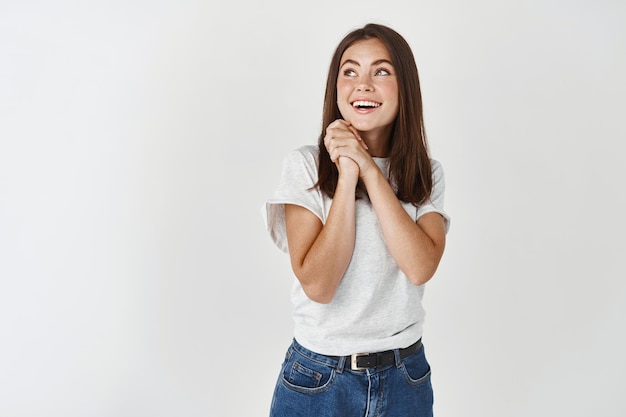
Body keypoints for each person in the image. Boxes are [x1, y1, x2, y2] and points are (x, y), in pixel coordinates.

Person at [263, 23, 450, 417]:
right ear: (336, 87)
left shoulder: (425, 174)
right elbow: (319, 284)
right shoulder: (305, 167)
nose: (362, 84)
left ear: (405, 88)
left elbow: (419, 267)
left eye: (381, 71)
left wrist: (367, 167)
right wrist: (346, 175)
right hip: (318, 381)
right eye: (350, 71)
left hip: (406, 379)